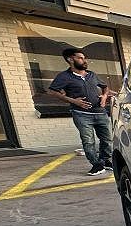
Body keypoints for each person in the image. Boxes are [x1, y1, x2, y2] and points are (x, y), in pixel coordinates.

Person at [47, 47, 112, 175]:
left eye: (84, 58)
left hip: (100, 112)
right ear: (70, 59)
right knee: (88, 141)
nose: (84, 60)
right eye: (80, 58)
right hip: (82, 114)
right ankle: (96, 164)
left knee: (107, 139)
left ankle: (105, 161)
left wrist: (104, 97)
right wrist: (73, 101)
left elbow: (105, 87)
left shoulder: (91, 75)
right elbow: (52, 91)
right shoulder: (64, 76)